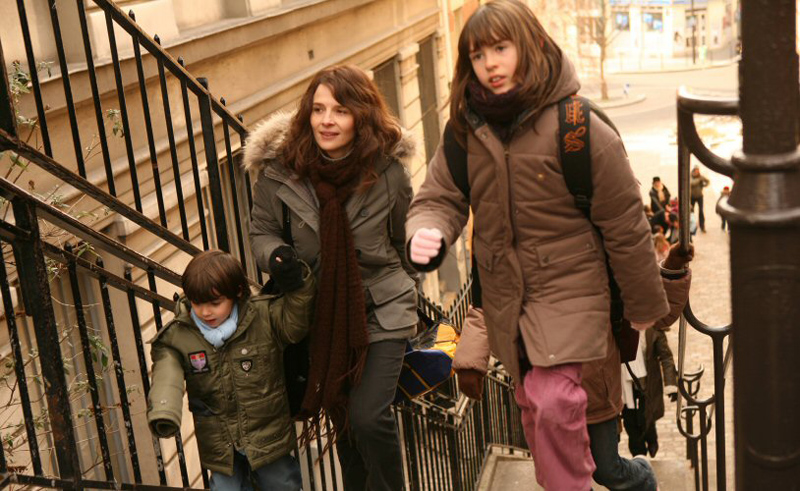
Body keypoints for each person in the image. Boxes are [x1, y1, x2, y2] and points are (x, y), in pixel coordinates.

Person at [405, 1, 669, 488]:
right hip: (508, 303)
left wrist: (644, 305)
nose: (490, 63)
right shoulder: (465, 129)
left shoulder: (577, 126)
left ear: (528, 45)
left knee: (551, 400)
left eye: (500, 49)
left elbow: (626, 224)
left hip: (573, 289)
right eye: (478, 54)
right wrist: (429, 232)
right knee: (534, 407)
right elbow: (439, 196)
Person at [244, 65, 419, 491]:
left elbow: (403, 241)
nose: (327, 120)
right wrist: (276, 256)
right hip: (320, 312)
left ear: (361, 115)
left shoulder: (389, 173)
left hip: (383, 307)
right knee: (345, 425)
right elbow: (261, 232)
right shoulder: (280, 173)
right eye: (319, 109)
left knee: (367, 416)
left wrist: (411, 292)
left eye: (340, 110)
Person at [455, 242, 693, 491]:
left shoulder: (595, 242)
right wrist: (471, 359)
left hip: (595, 389)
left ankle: (644, 478)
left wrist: (672, 268)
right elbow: (489, 304)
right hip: (542, 392)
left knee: (607, 469)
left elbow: (653, 305)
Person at [147, 249, 314, 491]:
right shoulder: (180, 335)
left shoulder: (263, 316)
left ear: (237, 292)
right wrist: (165, 410)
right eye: (197, 303)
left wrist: (294, 280)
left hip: (267, 434)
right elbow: (166, 374)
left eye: (215, 303)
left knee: (281, 484)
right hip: (219, 440)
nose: (205, 312)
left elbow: (295, 322)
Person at [621, 326, 678, 459]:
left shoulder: (654, 330)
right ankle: (639, 454)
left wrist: (670, 384)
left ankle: (651, 436)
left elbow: (666, 357)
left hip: (647, 383)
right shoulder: (619, 328)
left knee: (645, 416)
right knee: (629, 420)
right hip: (624, 384)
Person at [690, 166, 710, 232]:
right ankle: (691, 226)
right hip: (692, 197)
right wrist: (699, 180)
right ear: (693, 171)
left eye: (698, 171)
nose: (697, 172)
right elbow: (692, 183)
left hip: (699, 196)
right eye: (696, 171)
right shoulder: (691, 176)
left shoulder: (700, 177)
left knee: (701, 211)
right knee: (691, 211)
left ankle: (702, 226)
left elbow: (708, 181)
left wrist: (704, 185)